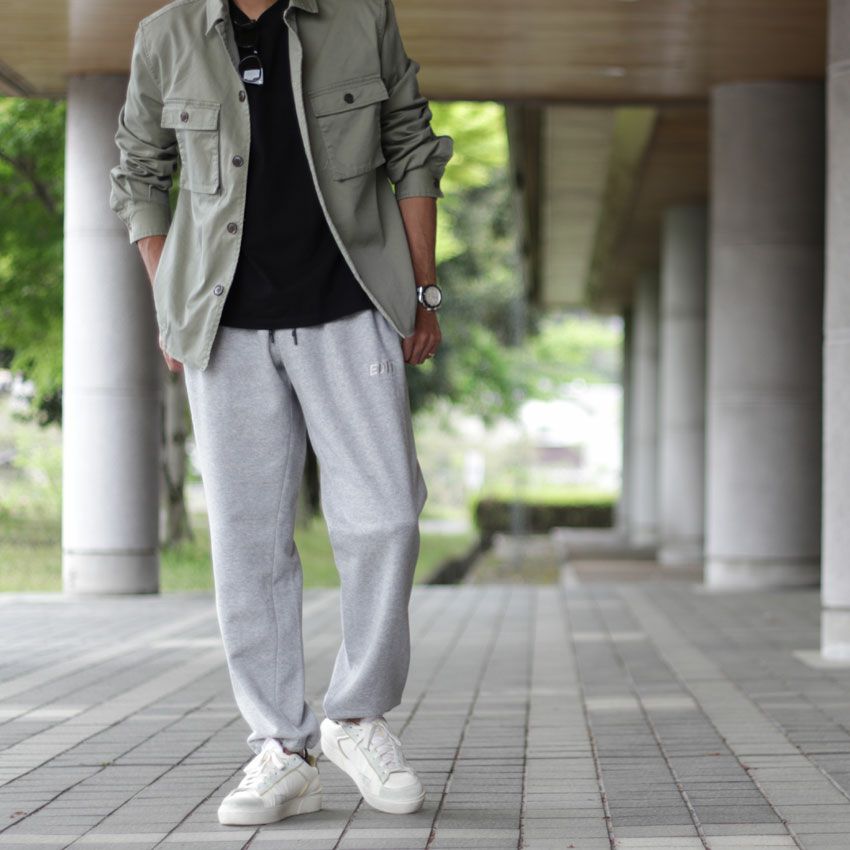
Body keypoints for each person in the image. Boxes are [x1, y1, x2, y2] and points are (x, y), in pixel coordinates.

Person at [108, 0, 453, 827]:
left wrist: (423, 288)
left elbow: (412, 148)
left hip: (351, 306)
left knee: (387, 515)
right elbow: (139, 174)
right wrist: (172, 300)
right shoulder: (165, 37)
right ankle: (281, 750)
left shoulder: (361, 17)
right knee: (248, 541)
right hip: (223, 326)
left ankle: (355, 717)